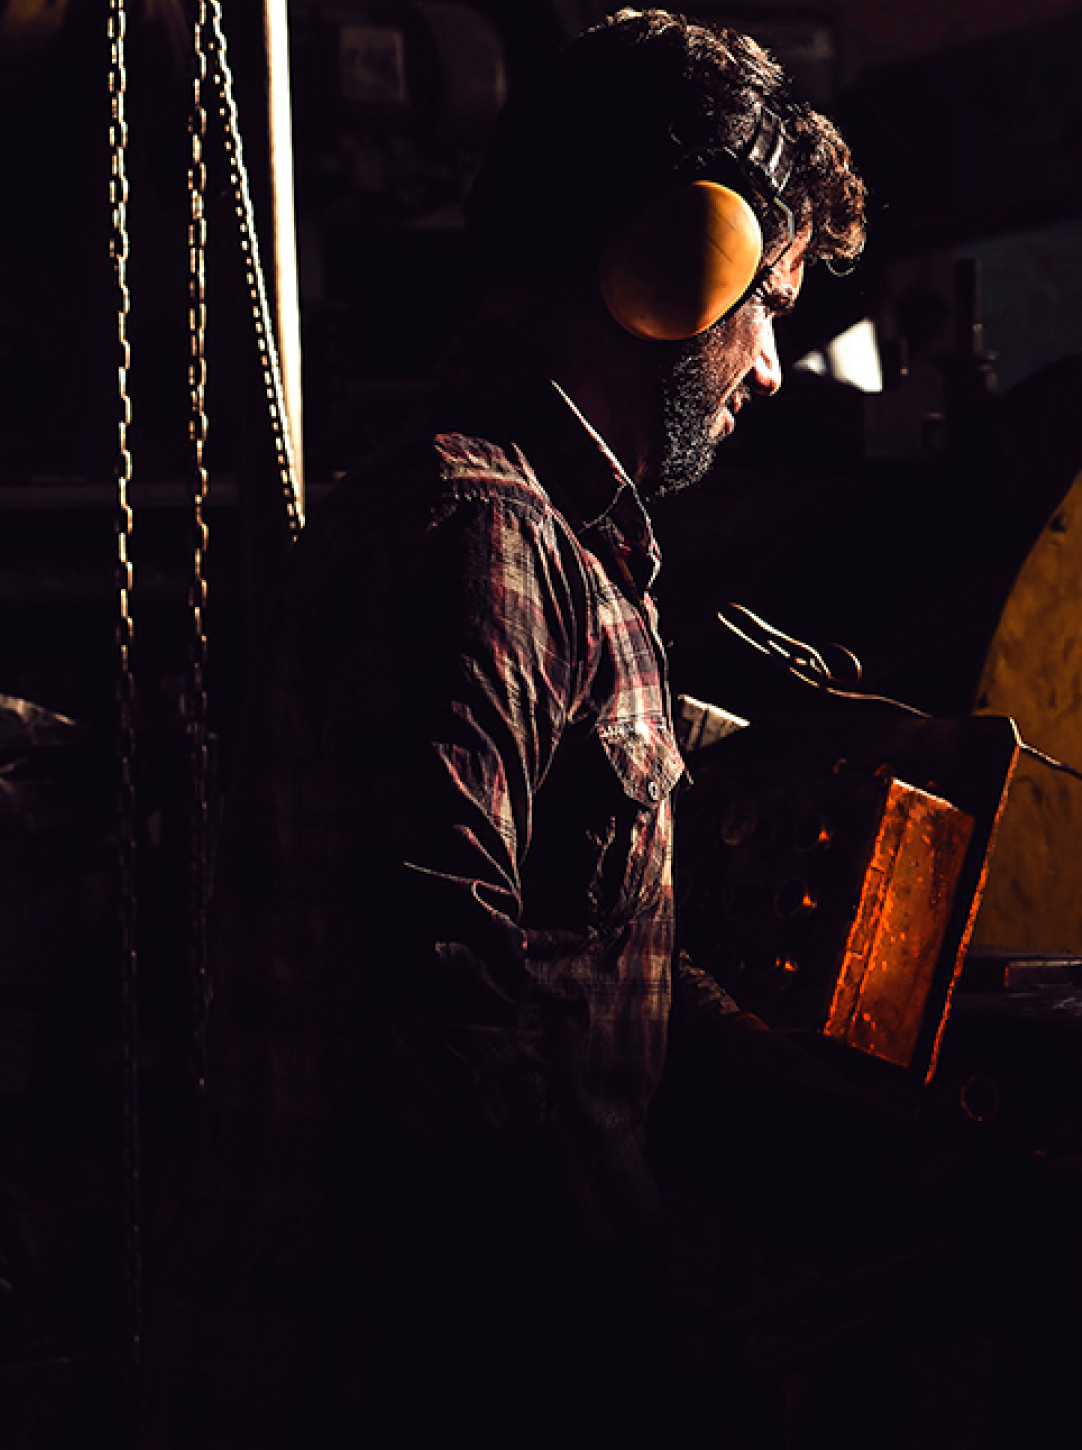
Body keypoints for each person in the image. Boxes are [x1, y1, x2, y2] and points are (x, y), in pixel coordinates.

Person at [148, 11, 865, 1446]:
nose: (773, 368)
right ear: (677, 264)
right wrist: (656, 1330)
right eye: (771, 305)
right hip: (391, 1385)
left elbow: (576, 964)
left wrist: (837, 1119)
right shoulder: (473, 540)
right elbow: (451, 1018)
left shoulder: (565, 553)